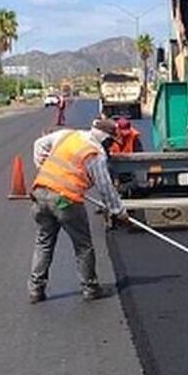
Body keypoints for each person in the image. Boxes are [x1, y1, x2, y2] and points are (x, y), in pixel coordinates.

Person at [28, 118, 129, 304]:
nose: (110, 146)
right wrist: (118, 210)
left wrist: (41, 168)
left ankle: (35, 290)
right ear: (104, 137)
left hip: (40, 192)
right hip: (66, 201)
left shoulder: (68, 135)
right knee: (83, 246)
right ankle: (90, 289)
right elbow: (105, 186)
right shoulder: (95, 153)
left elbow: (39, 144)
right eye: (110, 141)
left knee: (44, 242)